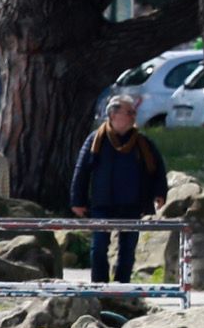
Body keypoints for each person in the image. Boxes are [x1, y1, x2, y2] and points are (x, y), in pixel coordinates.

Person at [67, 95, 167, 282]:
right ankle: (99, 288)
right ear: (113, 115)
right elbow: (82, 171)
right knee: (99, 247)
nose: (133, 116)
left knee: (127, 249)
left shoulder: (142, 142)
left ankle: (123, 289)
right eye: (129, 112)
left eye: (134, 112)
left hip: (131, 205)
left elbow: (157, 169)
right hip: (102, 204)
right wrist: (77, 201)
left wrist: (160, 193)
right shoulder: (96, 140)